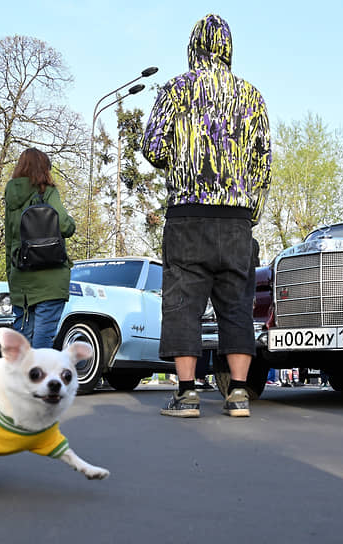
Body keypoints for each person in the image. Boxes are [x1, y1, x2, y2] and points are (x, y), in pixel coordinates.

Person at [142, 14, 272, 417]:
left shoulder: (177, 89)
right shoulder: (252, 96)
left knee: (183, 302)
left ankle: (186, 393)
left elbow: (152, 147)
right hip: (236, 218)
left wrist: (183, 158)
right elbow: (263, 166)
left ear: (194, 45)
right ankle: (237, 394)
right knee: (237, 303)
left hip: (188, 214)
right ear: (230, 49)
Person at [5, 148, 75, 348]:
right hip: (50, 281)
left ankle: (24, 379)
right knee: (43, 342)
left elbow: (9, 241)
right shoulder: (48, 191)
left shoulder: (11, 196)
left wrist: (11, 276)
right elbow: (64, 226)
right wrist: (71, 223)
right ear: (44, 169)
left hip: (22, 280)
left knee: (23, 345)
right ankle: (37, 378)